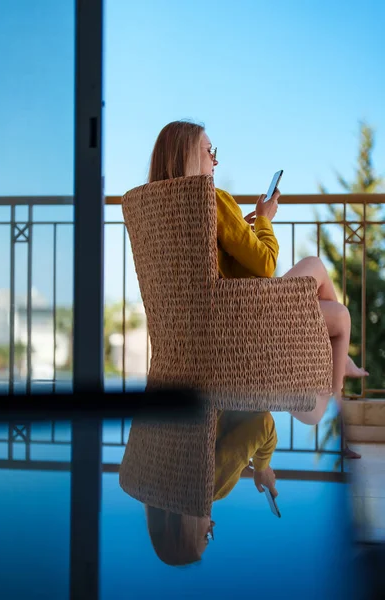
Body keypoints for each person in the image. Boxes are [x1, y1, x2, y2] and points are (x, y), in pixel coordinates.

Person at [147, 120, 368, 436]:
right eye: (210, 151)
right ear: (187, 156)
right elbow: (265, 265)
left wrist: (239, 228)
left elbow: (216, 269)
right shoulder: (212, 198)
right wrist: (264, 220)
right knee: (328, 292)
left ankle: (338, 369)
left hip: (206, 326)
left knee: (333, 305)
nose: (216, 160)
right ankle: (335, 398)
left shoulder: (162, 208)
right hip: (243, 321)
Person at [145, 411, 278, 566]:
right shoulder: (156, 474)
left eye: (206, 537)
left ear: (185, 531)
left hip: (226, 389)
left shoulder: (210, 488)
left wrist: (261, 468)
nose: (212, 527)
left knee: (312, 417)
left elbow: (263, 423)